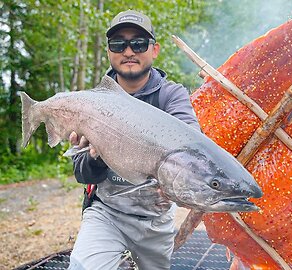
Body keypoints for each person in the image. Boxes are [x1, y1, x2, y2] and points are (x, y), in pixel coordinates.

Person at [68, 10, 201, 270]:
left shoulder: (171, 96)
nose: (129, 51)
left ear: (154, 50)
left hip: (156, 219)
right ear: (108, 51)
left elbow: (191, 145)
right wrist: (95, 156)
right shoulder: (92, 103)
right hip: (107, 213)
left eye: (138, 43)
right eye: (118, 44)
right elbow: (81, 174)